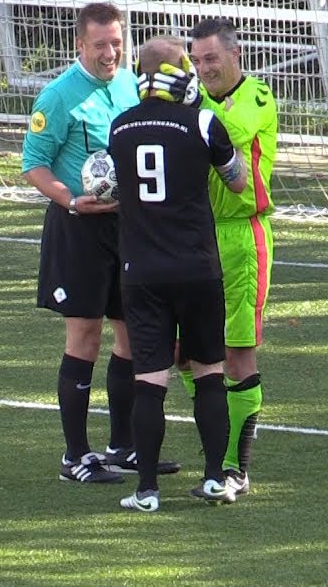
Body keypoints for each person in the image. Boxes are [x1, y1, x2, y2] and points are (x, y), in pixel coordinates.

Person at [21, 2, 178, 484]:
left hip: (128, 228)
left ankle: (122, 447)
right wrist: (70, 200)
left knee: (131, 334)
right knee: (85, 336)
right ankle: (75, 457)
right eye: (100, 45)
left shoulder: (132, 86)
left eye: (116, 43)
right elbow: (33, 165)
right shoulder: (58, 96)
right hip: (78, 230)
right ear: (79, 45)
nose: (110, 53)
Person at [107, 36, 248, 512]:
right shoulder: (203, 121)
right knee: (209, 373)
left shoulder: (120, 126)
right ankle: (214, 479)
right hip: (197, 267)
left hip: (141, 270)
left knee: (149, 379)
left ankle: (146, 489)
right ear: (179, 75)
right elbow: (237, 181)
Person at [182, 18, 277, 497]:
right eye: (196, 61)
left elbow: (231, 131)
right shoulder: (196, 102)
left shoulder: (257, 95)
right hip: (194, 237)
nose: (203, 69)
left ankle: (235, 467)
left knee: (237, 355)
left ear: (235, 55)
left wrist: (187, 108)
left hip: (242, 237)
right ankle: (214, 445)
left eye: (211, 59)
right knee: (183, 353)